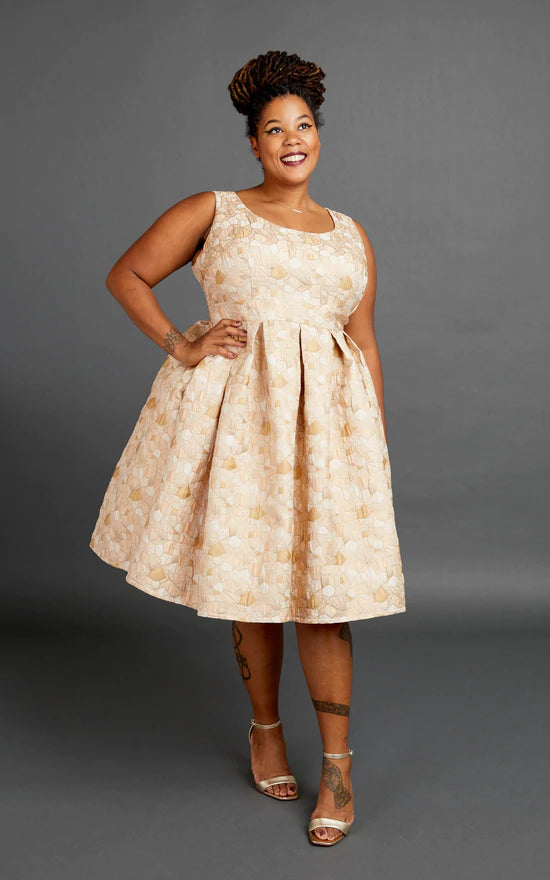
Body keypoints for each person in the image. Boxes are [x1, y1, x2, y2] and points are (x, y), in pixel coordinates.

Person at [89, 49, 406, 847]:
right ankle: (266, 729)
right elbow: (128, 275)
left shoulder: (351, 236)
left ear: (318, 136)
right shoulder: (216, 210)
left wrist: (372, 444)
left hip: (327, 439)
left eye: (304, 125)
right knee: (252, 584)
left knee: (326, 598)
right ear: (254, 144)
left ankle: (337, 768)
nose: (292, 139)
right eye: (274, 129)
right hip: (240, 430)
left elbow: (364, 343)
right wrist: (183, 344)